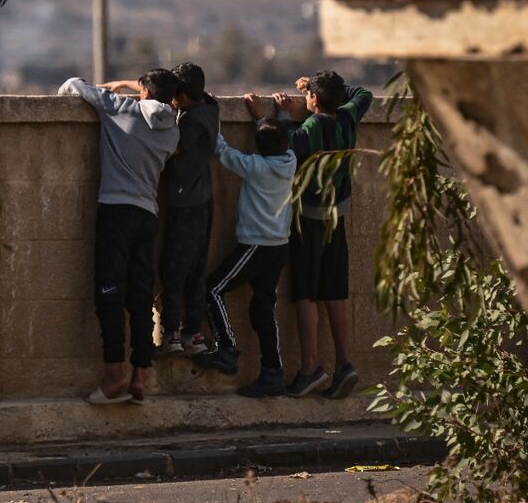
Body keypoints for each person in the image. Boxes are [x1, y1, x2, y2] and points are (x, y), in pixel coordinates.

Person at [244, 70, 372, 399]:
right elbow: (364, 95)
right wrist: (320, 91)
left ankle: (310, 367)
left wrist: (268, 117)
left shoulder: (312, 128)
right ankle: (345, 363)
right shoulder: (348, 117)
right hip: (336, 217)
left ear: (313, 99)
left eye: (310, 94)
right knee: (336, 292)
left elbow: (280, 146)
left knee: (306, 293)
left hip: (308, 220)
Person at [58, 70, 180, 405]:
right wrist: (133, 89)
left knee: (108, 294)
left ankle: (114, 376)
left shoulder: (119, 108)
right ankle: (140, 375)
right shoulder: (173, 131)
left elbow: (72, 85)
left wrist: (115, 90)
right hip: (147, 215)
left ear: (142, 92)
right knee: (140, 299)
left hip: (115, 212)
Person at [193, 118, 297, 398]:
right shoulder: (291, 160)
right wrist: (265, 119)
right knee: (263, 309)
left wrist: (209, 116)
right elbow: (283, 136)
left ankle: (227, 348)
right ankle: (273, 373)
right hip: (278, 244)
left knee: (211, 289)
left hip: (256, 245)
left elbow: (224, 152)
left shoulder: (257, 168)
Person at [157, 62, 220, 356]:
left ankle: (172, 333)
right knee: (195, 270)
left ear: (180, 97)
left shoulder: (190, 123)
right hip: (202, 200)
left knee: (175, 270)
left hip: (186, 204)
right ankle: (192, 334)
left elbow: (171, 147)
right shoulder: (210, 107)